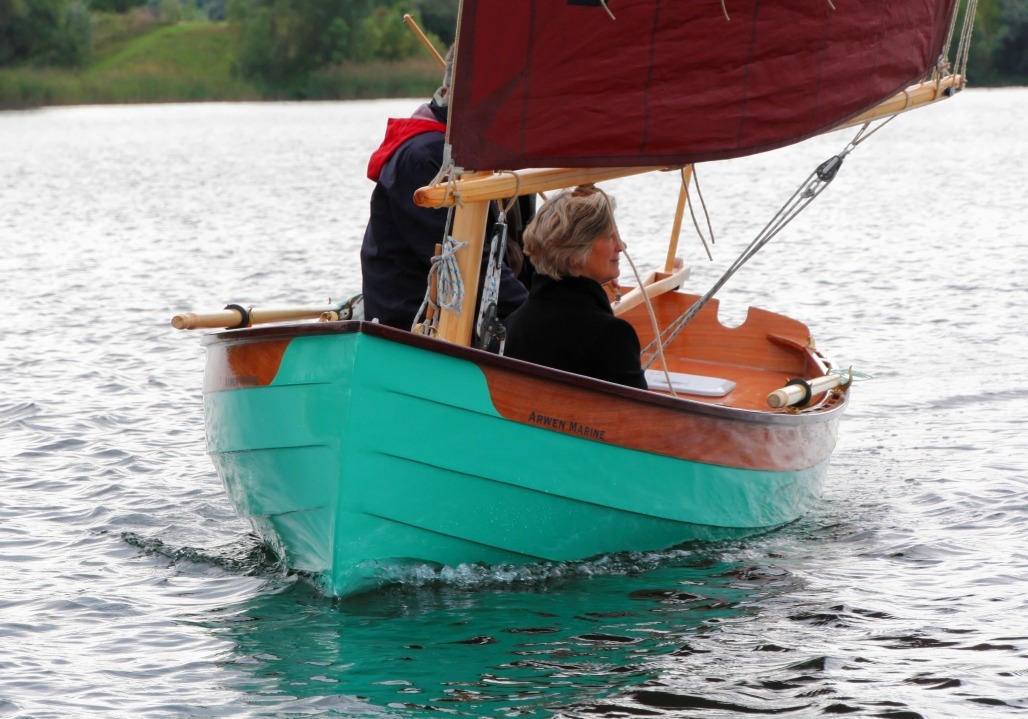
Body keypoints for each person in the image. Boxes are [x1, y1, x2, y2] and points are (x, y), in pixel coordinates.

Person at [360, 47, 529, 332]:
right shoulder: (425, 157)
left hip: (468, 314)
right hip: (414, 327)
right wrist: (533, 314)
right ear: (451, 92)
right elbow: (462, 262)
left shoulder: (486, 155)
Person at [503, 187, 648, 390]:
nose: (621, 246)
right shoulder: (611, 335)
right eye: (609, 236)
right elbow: (639, 417)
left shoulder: (512, 325)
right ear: (576, 251)